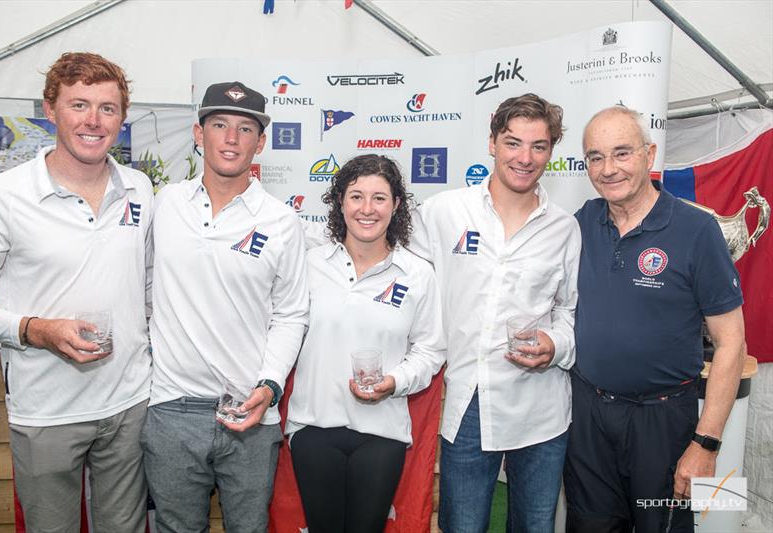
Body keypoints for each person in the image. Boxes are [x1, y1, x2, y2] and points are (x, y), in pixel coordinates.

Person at [0, 52, 152, 532]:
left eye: (107, 108)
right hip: (46, 409)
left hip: (129, 403)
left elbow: (148, 286)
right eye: (79, 105)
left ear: (122, 117)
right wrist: (36, 329)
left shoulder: (139, 188)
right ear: (50, 110)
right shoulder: (1, 196)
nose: (93, 121)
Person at [564, 105, 746, 533]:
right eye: (595, 157)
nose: (608, 169)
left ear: (650, 154)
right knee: (590, 525)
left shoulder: (697, 230)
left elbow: (732, 342)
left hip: (663, 423)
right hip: (588, 415)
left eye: (622, 153)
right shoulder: (582, 222)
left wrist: (706, 444)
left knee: (663, 526)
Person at [141, 81, 309, 533]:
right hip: (172, 409)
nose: (231, 138)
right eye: (219, 125)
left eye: (245, 128)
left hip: (250, 414)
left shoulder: (281, 221)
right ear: (199, 134)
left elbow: (292, 313)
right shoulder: (165, 205)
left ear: (261, 141)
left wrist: (270, 386)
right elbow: (141, 287)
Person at [410, 93, 581, 533]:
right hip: (467, 398)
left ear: (551, 152)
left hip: (540, 409)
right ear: (491, 143)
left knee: (534, 526)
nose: (524, 158)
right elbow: (406, 283)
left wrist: (555, 344)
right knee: (462, 526)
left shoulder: (564, 228)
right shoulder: (443, 211)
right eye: (512, 143)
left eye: (538, 146)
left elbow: (570, 311)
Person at [285, 154, 445, 532]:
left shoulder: (417, 273)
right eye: (356, 196)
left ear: (397, 205)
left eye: (379, 198)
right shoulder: (308, 264)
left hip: (382, 432)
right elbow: (282, 327)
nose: (367, 209)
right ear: (340, 202)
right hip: (313, 427)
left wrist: (395, 381)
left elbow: (430, 350)